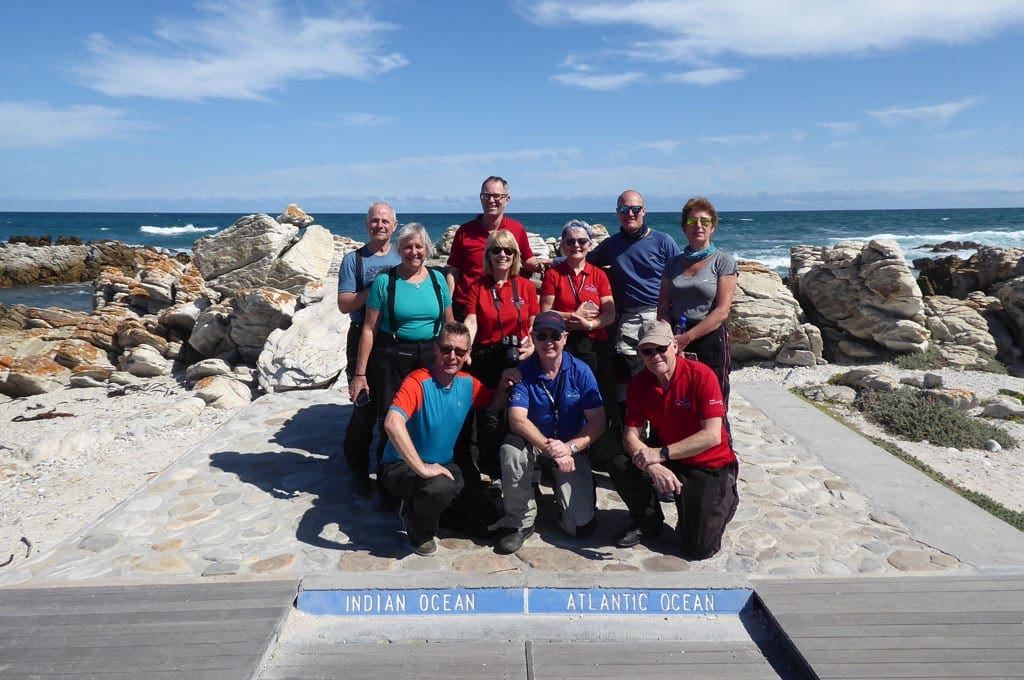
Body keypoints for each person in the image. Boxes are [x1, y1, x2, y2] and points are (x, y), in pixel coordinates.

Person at [381, 322, 515, 556]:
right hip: (402, 466)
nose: (452, 356)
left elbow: (493, 403)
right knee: (439, 487)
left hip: (443, 464)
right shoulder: (417, 382)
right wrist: (422, 468)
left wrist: (504, 386)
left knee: (487, 524)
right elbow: (392, 422)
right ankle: (417, 525)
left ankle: (432, 511)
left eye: (459, 351)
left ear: (468, 354)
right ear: (436, 348)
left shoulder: (467, 383)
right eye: (446, 349)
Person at [609, 320, 738, 560]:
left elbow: (711, 435)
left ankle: (725, 495)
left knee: (699, 548)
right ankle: (648, 520)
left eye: (661, 348)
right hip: (670, 457)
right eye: (647, 351)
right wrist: (652, 465)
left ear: (675, 346)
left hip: (707, 463)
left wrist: (661, 454)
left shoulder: (701, 375)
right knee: (619, 461)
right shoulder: (639, 384)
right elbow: (630, 436)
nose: (655, 356)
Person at [348, 223, 453, 496]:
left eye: (419, 246)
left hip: (430, 356)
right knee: (391, 420)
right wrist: (360, 375)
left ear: (428, 249)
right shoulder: (385, 281)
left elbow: (449, 324)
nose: (414, 252)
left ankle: (425, 475)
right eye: (407, 246)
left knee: (427, 418)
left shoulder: (438, 280)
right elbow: (369, 329)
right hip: (394, 357)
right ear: (399, 250)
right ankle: (388, 485)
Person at [492, 311, 605, 554]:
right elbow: (517, 420)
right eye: (541, 336)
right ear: (533, 338)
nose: (548, 342)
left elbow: (597, 421)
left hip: (570, 448)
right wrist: (551, 449)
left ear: (565, 338)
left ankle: (563, 493)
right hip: (538, 444)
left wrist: (570, 448)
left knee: (579, 528)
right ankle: (520, 520)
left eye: (554, 335)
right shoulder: (523, 371)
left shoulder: (581, 371)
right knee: (511, 450)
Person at [459, 230, 539, 484]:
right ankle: (491, 469)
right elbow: (471, 320)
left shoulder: (525, 286)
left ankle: (524, 470)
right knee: (489, 416)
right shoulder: (478, 287)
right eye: (496, 250)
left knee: (519, 413)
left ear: (515, 255)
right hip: (486, 357)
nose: (502, 255)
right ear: (488, 255)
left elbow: (535, 321)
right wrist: (465, 347)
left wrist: (534, 346)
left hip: (518, 356)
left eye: (508, 251)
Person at [588, 190, 680, 398]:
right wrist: (549, 263)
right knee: (626, 375)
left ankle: (660, 426)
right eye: (624, 209)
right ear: (617, 212)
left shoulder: (663, 241)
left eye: (635, 209)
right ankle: (631, 426)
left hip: (657, 315)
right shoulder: (612, 244)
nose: (630, 213)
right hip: (627, 318)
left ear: (644, 211)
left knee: (661, 371)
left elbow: (681, 275)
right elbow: (583, 261)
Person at [336, 202, 402, 495]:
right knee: (363, 406)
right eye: (374, 221)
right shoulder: (354, 260)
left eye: (385, 221)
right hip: (361, 335)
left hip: (393, 338)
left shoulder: (403, 255)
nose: (380, 225)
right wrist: (376, 289)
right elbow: (344, 304)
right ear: (367, 225)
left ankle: (387, 470)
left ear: (395, 225)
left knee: (392, 406)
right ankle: (357, 469)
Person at [540, 219, 616, 466]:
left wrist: (589, 324)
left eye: (582, 241)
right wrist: (573, 316)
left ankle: (591, 452)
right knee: (563, 398)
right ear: (562, 245)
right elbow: (544, 310)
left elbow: (610, 313)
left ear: (590, 245)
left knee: (591, 398)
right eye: (570, 241)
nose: (576, 245)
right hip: (562, 344)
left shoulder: (599, 275)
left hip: (593, 344)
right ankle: (562, 450)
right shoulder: (554, 274)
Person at [658, 197, 738, 408]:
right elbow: (663, 306)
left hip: (710, 340)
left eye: (705, 221)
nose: (698, 226)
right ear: (685, 228)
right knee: (680, 401)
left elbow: (722, 311)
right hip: (675, 340)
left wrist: (688, 337)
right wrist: (672, 338)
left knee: (713, 404)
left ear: (713, 227)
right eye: (692, 222)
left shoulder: (723, 261)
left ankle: (720, 441)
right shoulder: (672, 264)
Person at [447, 176, 551, 320]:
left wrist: (546, 264)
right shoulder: (465, 231)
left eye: (496, 196)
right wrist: (448, 309)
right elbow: (453, 272)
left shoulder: (516, 229)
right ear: (481, 198)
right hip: (466, 305)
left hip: (503, 304)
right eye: (486, 196)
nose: (491, 200)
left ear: (507, 199)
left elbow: (527, 259)